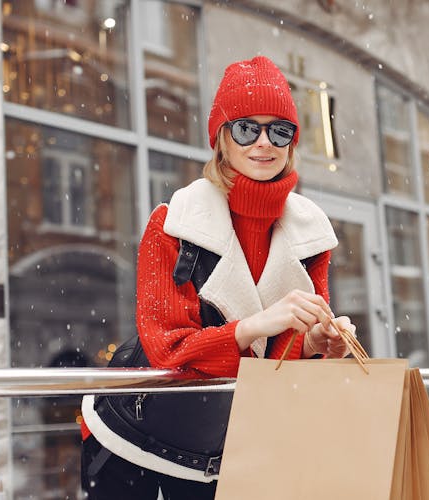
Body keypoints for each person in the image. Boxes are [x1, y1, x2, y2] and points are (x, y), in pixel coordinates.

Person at [79, 55, 356, 499]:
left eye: (280, 130)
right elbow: (167, 349)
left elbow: (279, 362)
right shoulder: (174, 224)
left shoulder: (311, 234)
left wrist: (317, 345)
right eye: (247, 128)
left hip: (236, 451)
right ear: (221, 140)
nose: (264, 143)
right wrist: (253, 326)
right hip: (135, 446)